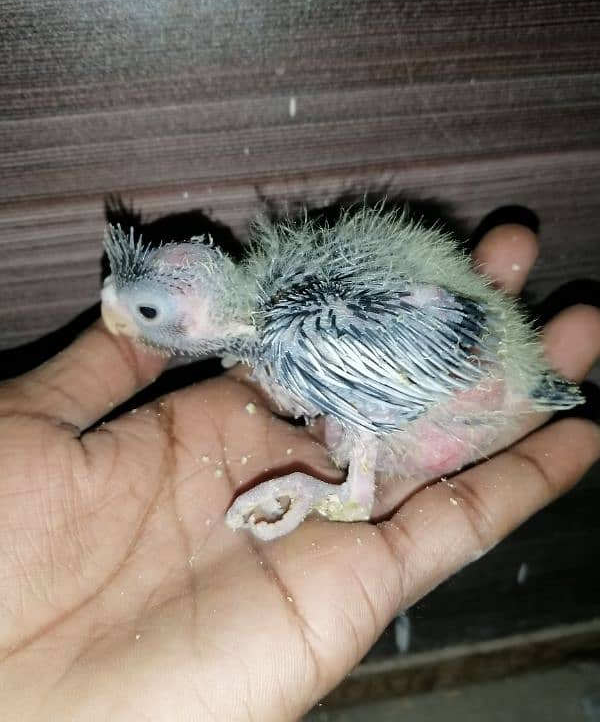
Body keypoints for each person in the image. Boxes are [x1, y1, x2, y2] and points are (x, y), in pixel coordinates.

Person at [0, 222, 598, 721]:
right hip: (442, 350)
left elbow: (377, 402)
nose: (128, 327)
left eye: (149, 312)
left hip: (465, 378)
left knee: (348, 411)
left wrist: (324, 485)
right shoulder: (270, 316)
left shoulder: (296, 341)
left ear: (201, 314)